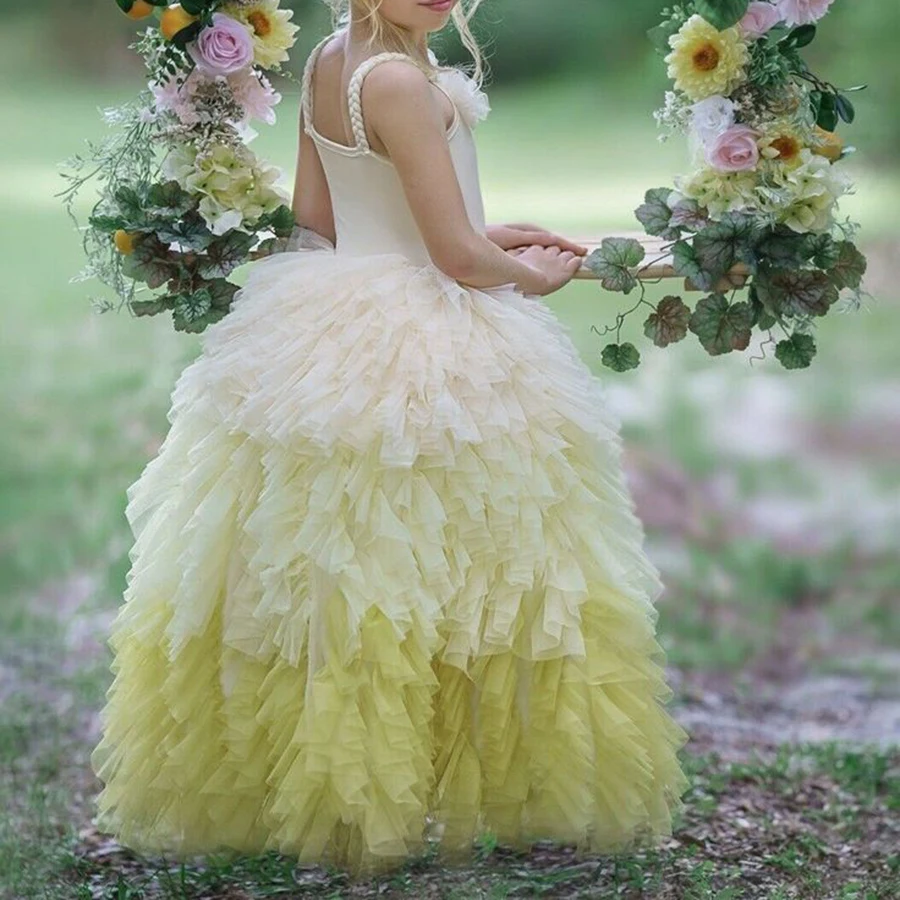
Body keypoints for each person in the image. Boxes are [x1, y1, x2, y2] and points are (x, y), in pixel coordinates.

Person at [90, 0, 690, 879]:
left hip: (343, 306)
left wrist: (483, 234)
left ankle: (330, 781)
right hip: (425, 325)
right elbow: (454, 259)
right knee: (473, 555)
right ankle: (398, 785)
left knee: (352, 559)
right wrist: (530, 275)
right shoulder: (402, 78)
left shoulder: (333, 57)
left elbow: (320, 216)